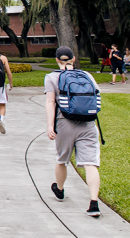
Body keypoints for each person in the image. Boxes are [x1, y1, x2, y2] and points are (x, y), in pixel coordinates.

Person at [46, 46, 103, 218]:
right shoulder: (87, 75)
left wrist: (50, 125)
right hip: (88, 123)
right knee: (90, 163)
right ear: (73, 58)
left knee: (62, 159)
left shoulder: (52, 77)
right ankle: (94, 203)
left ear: (57, 60)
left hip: (65, 123)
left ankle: (60, 189)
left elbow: (51, 102)